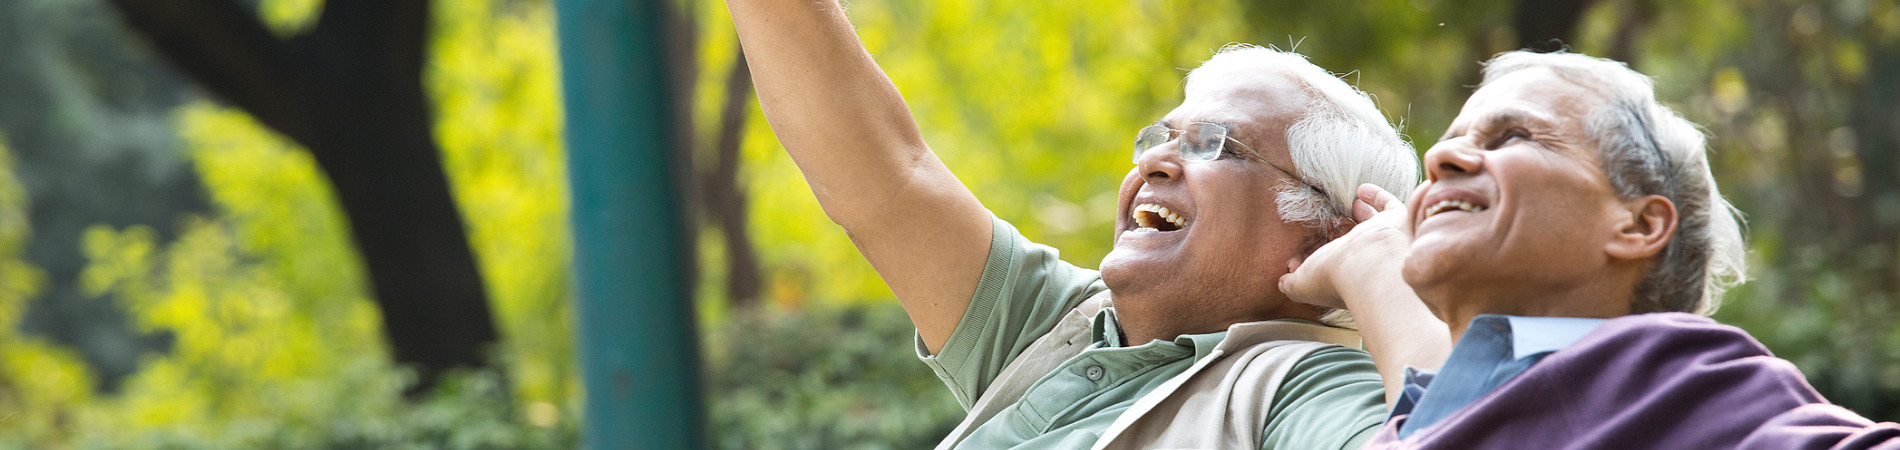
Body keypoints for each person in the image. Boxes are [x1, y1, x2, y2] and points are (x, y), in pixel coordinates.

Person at [725, 0, 1440, 448]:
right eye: (1158, 137)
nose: (1157, 160)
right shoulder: (1054, 327)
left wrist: (1382, 268)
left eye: (1212, 145)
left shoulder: (1305, 387)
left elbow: (1461, 435)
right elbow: (887, 175)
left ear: (1323, 232)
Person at [1281, 49, 1900, 448]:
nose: (1440, 157)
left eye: (1515, 135)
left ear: (1636, 226)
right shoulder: (1417, 421)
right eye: (1448, 141)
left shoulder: (1670, 381)